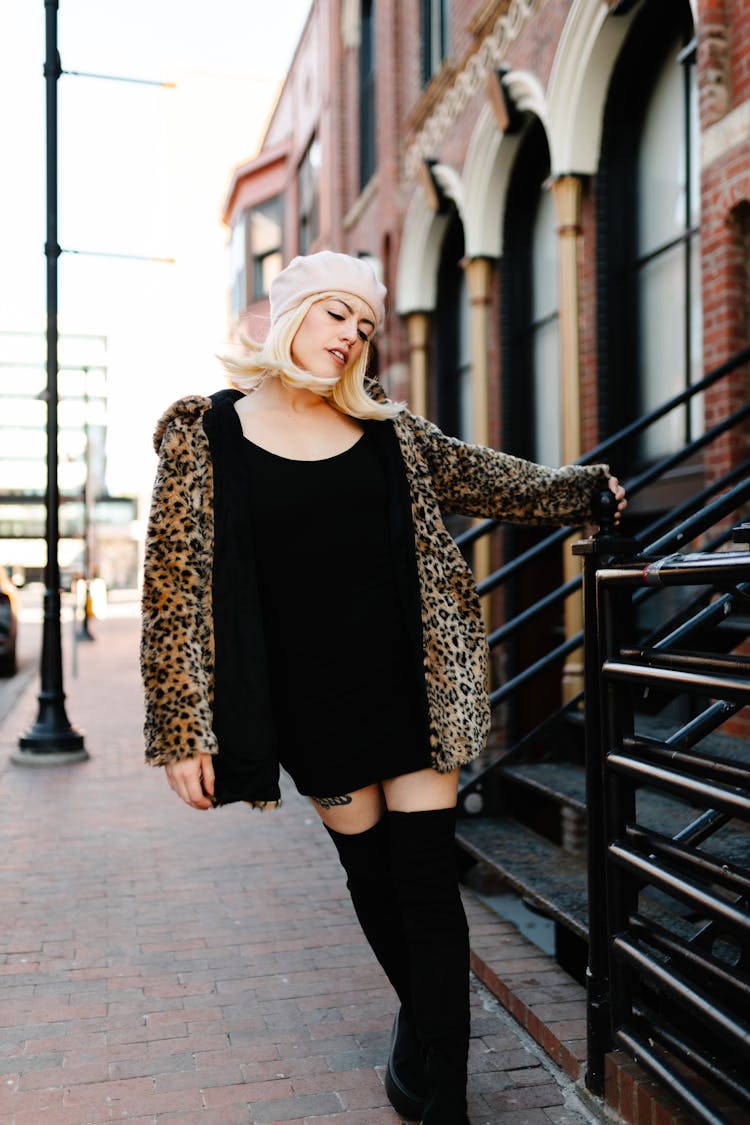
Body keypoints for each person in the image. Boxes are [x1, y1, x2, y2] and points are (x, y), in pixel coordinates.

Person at [140, 250, 626, 1123]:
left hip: (413, 681)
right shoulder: (204, 435)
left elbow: (491, 478)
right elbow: (173, 587)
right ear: (292, 314)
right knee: (373, 877)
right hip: (305, 704)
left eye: (364, 327)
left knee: (428, 882)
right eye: (337, 316)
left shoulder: (389, 431)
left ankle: (442, 1092)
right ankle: (425, 1030)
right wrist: (182, 728)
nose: (351, 338)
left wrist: (586, 491)